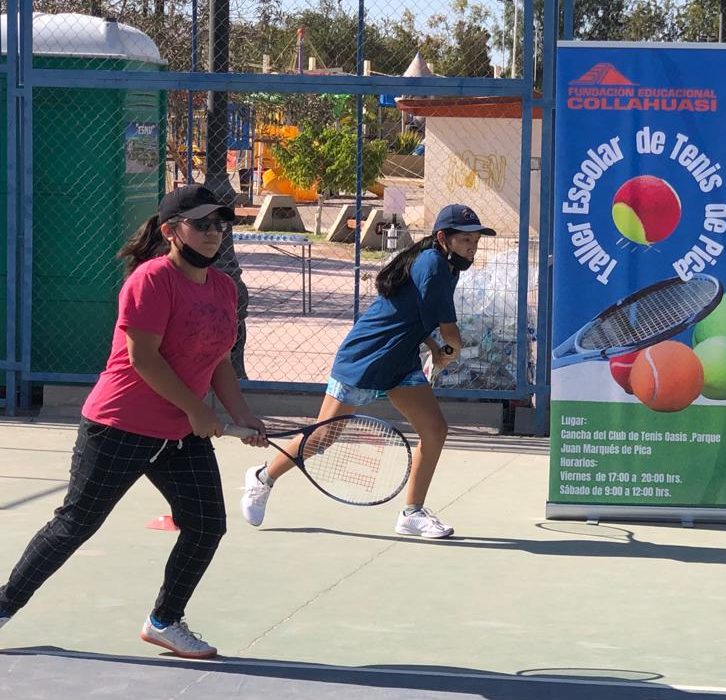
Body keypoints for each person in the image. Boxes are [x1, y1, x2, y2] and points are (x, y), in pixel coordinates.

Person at [0, 185, 267, 659]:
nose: (213, 234)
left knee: (206, 525)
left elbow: (220, 361)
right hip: (120, 423)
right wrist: (197, 410)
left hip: (179, 434)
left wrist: (240, 415)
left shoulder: (224, 288)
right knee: (76, 523)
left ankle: (164, 621)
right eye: (201, 224)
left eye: (220, 224)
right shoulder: (150, 280)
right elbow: (143, 359)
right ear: (170, 231)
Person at [240, 203, 495, 538]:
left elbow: (416, 316)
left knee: (435, 430)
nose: (472, 246)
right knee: (321, 437)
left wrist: (436, 350)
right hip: (366, 357)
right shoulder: (433, 265)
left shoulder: (449, 266)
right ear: (442, 237)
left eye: (475, 240)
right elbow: (452, 336)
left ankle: (412, 513)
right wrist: (449, 351)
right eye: (465, 240)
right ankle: (263, 478)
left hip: (401, 361)